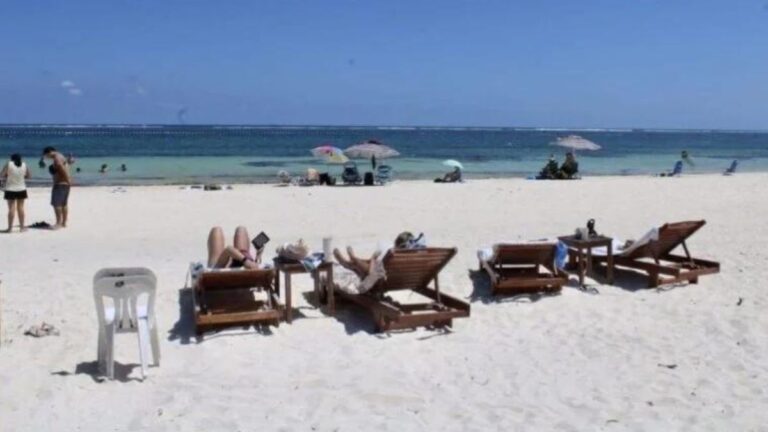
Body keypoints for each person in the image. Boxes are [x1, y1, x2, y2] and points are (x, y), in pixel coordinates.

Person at [42, 146, 72, 229]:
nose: (47, 157)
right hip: (65, 184)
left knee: (57, 204)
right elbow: (65, 166)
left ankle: (58, 223)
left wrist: (68, 179)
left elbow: (61, 168)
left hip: (60, 183)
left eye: (46, 155)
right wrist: (68, 180)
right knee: (64, 204)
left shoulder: (56, 158)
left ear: (49, 152)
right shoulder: (61, 156)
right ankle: (64, 223)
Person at [1, 154, 30, 232]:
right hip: (22, 188)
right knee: (21, 208)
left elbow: (2, 175)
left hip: (10, 189)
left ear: (12, 159)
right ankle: (22, 227)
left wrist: (7, 176)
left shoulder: (9, 164)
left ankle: (10, 228)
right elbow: (29, 176)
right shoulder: (24, 164)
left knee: (11, 208)